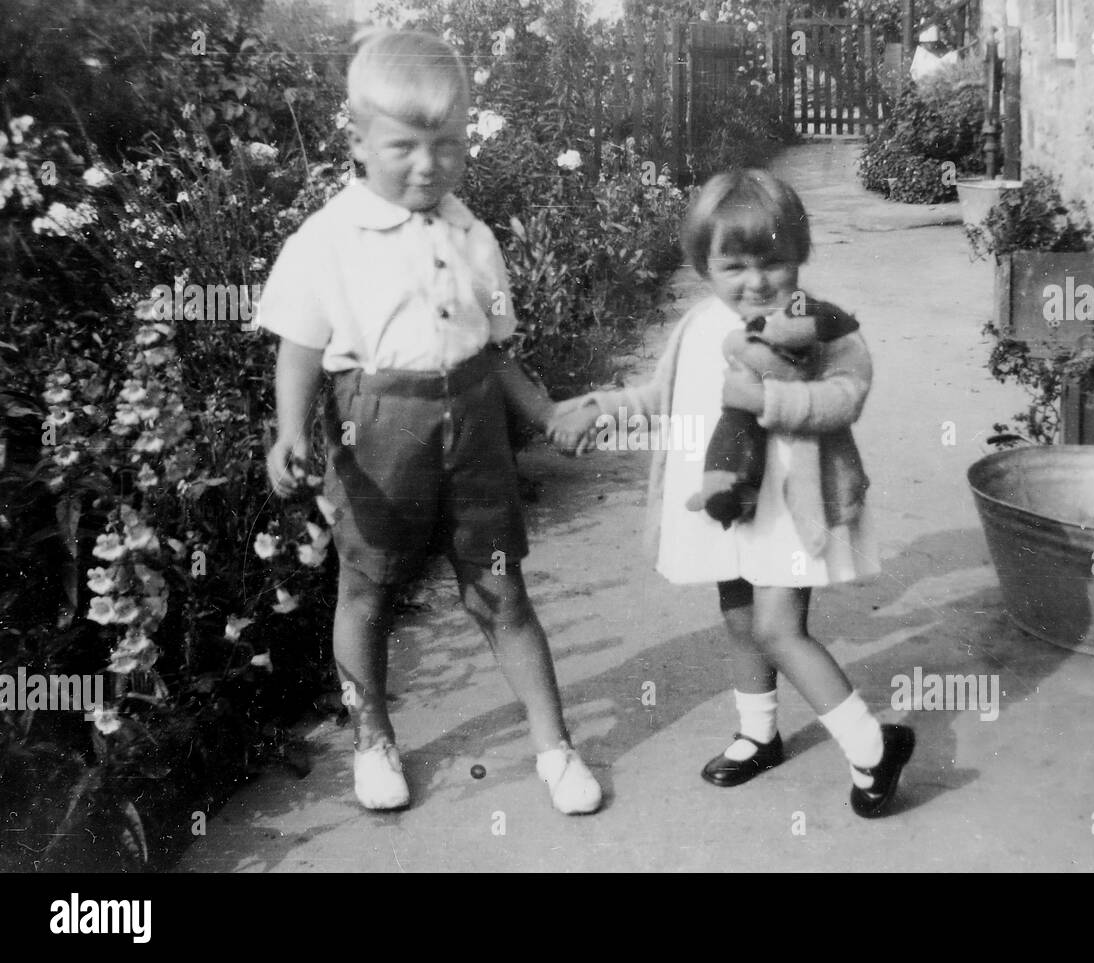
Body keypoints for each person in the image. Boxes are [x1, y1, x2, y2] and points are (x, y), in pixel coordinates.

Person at [258, 28, 601, 815]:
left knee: (502, 591)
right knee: (367, 591)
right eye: (405, 145)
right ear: (357, 140)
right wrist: (288, 430)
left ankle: (554, 745)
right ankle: (372, 735)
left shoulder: (473, 236)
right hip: (376, 434)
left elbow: (497, 350)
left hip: (475, 430)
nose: (428, 164)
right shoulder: (327, 240)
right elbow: (299, 348)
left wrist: (545, 413)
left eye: (447, 144)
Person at [551, 169, 915, 817]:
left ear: (799, 254)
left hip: (787, 505)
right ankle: (758, 732)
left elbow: (845, 396)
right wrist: (601, 408)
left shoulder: (822, 328)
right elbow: (659, 397)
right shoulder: (697, 325)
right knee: (739, 617)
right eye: (734, 265)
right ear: (704, 266)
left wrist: (768, 398)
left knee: (779, 627)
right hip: (725, 503)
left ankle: (871, 745)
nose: (756, 281)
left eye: (773, 261)